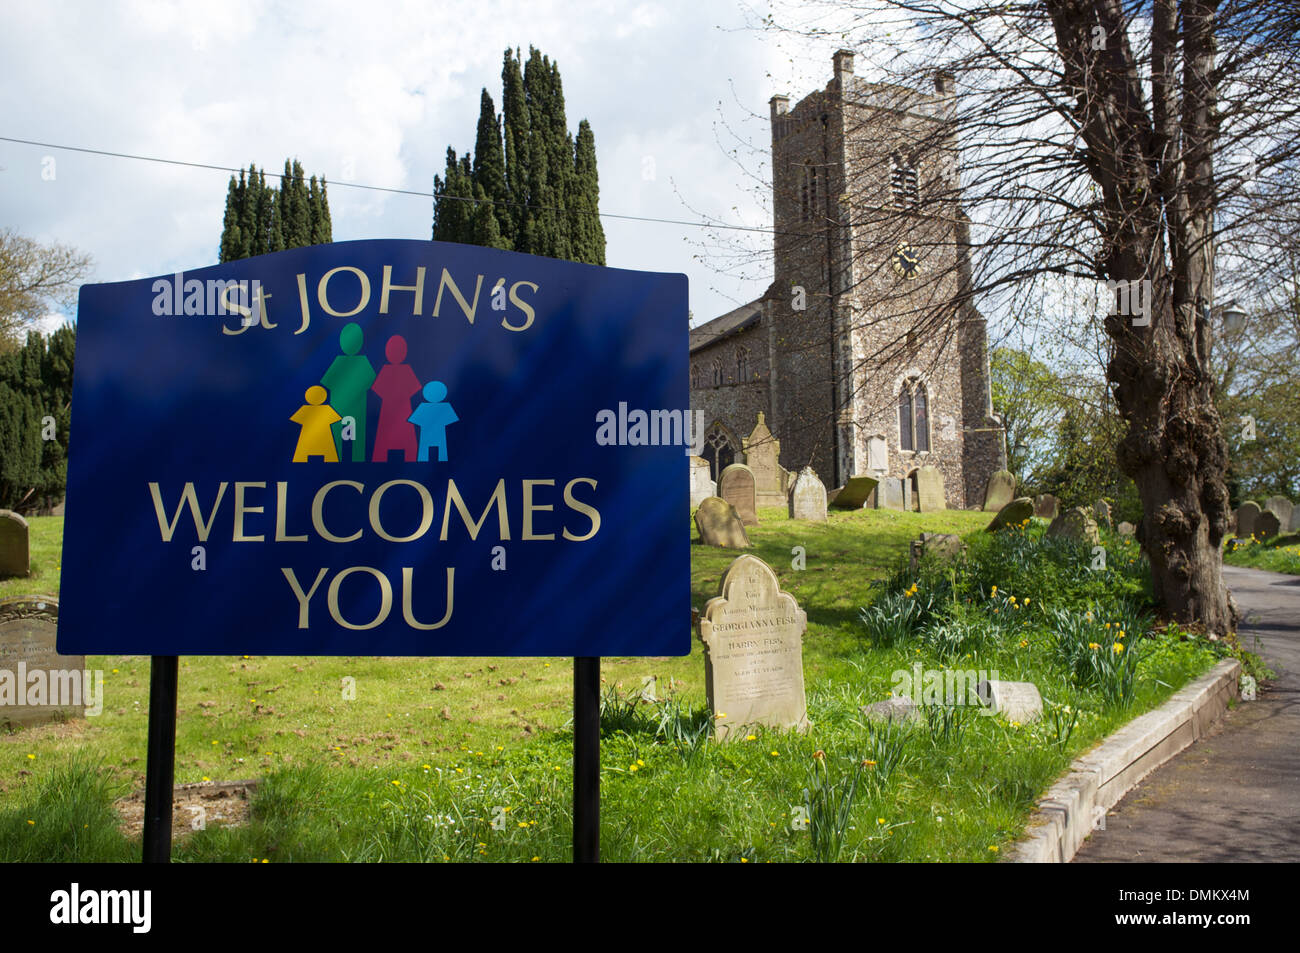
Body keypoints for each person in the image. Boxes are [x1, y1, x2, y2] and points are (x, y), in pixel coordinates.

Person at [320, 322, 376, 462]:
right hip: (341, 403)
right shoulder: (340, 361)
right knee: (340, 430)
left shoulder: (361, 362)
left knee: (357, 431)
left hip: (355, 404)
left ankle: (356, 456)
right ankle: (338, 456)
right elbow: (329, 382)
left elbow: (370, 382)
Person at [370, 334, 421, 462]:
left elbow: (413, 388)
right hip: (392, 409)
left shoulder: (405, 370)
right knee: (387, 438)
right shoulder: (387, 370)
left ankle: (409, 458)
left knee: (406, 437)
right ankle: (381, 459)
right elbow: (377, 389)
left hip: (398, 408)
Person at [409, 381, 459, 462]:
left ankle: (429, 461)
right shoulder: (444, 406)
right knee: (438, 449)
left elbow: (415, 420)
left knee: (427, 450)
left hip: (428, 432)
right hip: (437, 432)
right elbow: (451, 420)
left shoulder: (423, 407)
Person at [290, 385, 341, 462]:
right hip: (323, 435)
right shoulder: (326, 409)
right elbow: (336, 419)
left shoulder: (306, 409)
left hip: (310, 435)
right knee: (329, 452)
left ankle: (301, 458)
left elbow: (296, 419)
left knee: (303, 452)